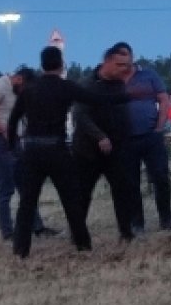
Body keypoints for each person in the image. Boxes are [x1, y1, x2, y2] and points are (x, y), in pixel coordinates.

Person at [7, 45, 130, 258]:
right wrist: (127, 96)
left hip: (33, 150)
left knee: (27, 202)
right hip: (57, 149)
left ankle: (20, 249)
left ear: (42, 64)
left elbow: (13, 120)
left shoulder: (29, 89)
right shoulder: (65, 87)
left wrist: (13, 147)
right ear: (61, 64)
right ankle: (83, 245)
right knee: (71, 199)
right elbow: (96, 99)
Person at [0, 67, 58, 241]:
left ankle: (37, 227)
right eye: (24, 89)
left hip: (14, 142)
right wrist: (4, 129)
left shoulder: (18, 91)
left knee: (27, 186)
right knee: (5, 189)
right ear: (19, 79)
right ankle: (8, 233)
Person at [70, 46, 136, 246]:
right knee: (82, 194)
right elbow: (80, 115)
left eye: (127, 65)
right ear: (106, 61)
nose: (124, 69)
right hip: (87, 151)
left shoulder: (120, 85)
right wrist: (99, 136)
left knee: (123, 190)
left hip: (116, 149)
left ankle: (126, 232)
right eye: (120, 65)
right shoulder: (87, 85)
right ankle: (78, 236)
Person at [112, 42, 171, 234]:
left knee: (161, 178)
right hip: (126, 140)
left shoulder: (149, 75)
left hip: (151, 136)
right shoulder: (113, 80)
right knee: (131, 183)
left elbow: (164, 99)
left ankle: (166, 219)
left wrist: (160, 126)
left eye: (125, 55)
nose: (123, 60)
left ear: (132, 56)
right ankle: (137, 223)